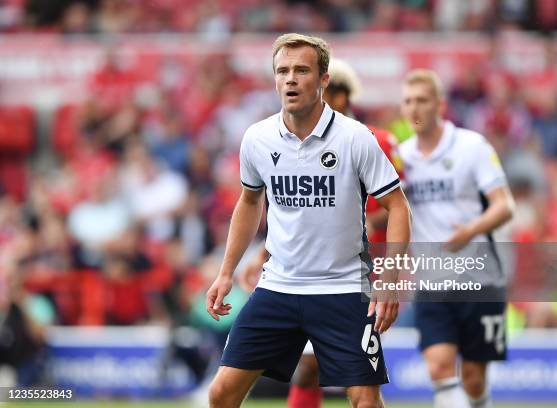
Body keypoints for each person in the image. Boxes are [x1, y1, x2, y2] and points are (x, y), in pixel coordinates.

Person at [205, 33, 411, 408]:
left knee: (365, 400)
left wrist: (390, 280)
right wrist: (226, 272)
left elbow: (398, 207)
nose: (290, 79)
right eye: (282, 71)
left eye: (301, 70)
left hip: (345, 289)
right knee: (220, 393)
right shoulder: (257, 138)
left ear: (324, 80)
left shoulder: (356, 139)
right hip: (279, 288)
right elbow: (250, 202)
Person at [397, 69, 515, 408]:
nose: (414, 109)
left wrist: (471, 231)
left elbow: (504, 206)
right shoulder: (400, 159)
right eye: (407, 101)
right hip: (432, 283)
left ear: (440, 104)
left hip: (480, 278)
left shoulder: (471, 146)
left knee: (475, 379)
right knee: (439, 367)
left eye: (422, 100)